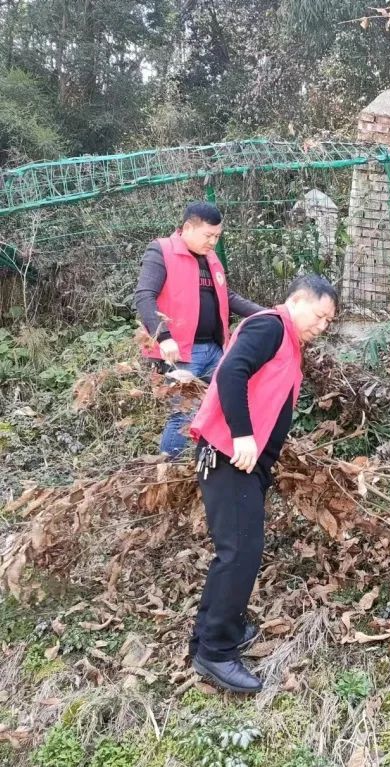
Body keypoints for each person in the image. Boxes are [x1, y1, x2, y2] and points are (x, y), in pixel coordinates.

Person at [187, 274, 338, 693]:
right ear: (297, 300)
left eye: (329, 323)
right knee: (240, 552)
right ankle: (216, 654)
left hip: (245, 464)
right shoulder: (270, 326)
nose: (322, 327)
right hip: (230, 455)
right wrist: (242, 434)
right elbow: (232, 371)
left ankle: (211, 635)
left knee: (235, 551)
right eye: (320, 316)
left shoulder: (288, 342)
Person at [134, 201, 264, 457]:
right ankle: (167, 474)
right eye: (208, 235)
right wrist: (164, 337)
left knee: (222, 407)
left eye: (217, 236)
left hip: (215, 351)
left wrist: (268, 314)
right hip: (181, 355)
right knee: (183, 414)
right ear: (187, 228)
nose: (213, 242)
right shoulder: (161, 251)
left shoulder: (210, 259)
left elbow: (228, 297)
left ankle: (206, 466)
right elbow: (144, 296)